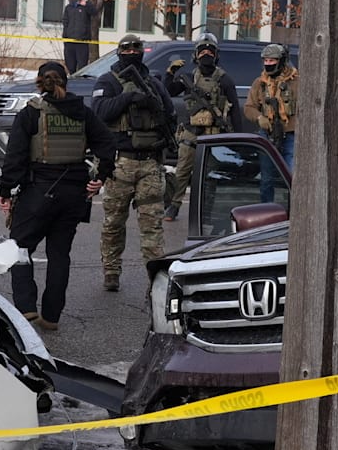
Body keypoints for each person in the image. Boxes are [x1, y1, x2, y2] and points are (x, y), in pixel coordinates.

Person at [0, 61, 116, 330]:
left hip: (38, 191)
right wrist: (100, 177)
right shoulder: (83, 112)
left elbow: (15, 156)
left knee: (19, 248)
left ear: (40, 83)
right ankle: (51, 316)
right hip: (74, 194)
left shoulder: (31, 113)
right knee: (60, 254)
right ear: (66, 82)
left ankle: (26, 306)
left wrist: (5, 190)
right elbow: (108, 143)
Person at [91, 34, 174, 292]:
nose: (131, 54)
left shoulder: (154, 84)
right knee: (114, 223)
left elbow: (169, 115)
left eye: (136, 50)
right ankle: (111, 271)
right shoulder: (107, 81)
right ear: (119, 53)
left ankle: (156, 278)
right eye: (126, 50)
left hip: (150, 164)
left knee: (152, 225)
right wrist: (128, 98)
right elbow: (99, 112)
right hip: (120, 163)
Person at [163, 34, 242, 221]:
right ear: (195, 55)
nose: (206, 54)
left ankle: (205, 212)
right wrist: (170, 74)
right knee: (182, 172)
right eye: (202, 51)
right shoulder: (189, 78)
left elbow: (235, 111)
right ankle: (173, 207)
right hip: (191, 133)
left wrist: (238, 137)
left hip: (214, 136)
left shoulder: (224, 80)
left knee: (210, 177)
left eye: (210, 51)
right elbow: (167, 91)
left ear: (216, 55)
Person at [244, 42, 297, 203]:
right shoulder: (260, 83)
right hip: (267, 135)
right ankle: (267, 210)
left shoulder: (296, 82)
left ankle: (295, 210)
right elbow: (249, 107)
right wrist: (260, 118)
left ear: (281, 61)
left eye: (272, 60)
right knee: (266, 179)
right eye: (266, 60)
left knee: (293, 177)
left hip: (291, 135)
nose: (268, 64)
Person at [62, 0, 96, 74]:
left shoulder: (86, 5)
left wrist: (86, 5)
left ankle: (80, 79)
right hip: (69, 42)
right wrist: (65, 37)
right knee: (70, 65)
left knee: (82, 66)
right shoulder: (69, 7)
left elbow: (94, 13)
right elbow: (65, 22)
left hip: (82, 42)